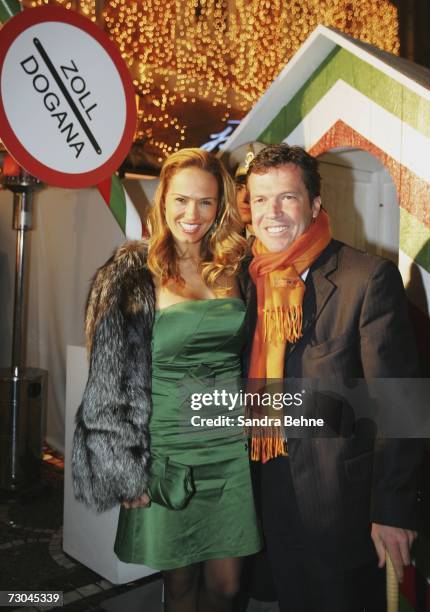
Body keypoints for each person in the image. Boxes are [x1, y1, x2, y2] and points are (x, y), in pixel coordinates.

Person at [72, 148, 262, 612]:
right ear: (162, 201)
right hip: (167, 449)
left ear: (220, 208)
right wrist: (125, 467)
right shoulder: (131, 272)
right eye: (180, 200)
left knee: (228, 585)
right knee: (179, 583)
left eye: (205, 202)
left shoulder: (237, 268)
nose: (191, 214)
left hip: (230, 447)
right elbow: (107, 380)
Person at [243, 143, 423, 612]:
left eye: (287, 197)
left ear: (315, 204)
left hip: (339, 503)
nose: (273, 212)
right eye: (261, 199)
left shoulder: (368, 278)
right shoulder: (248, 280)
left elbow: (400, 405)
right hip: (266, 484)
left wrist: (392, 511)